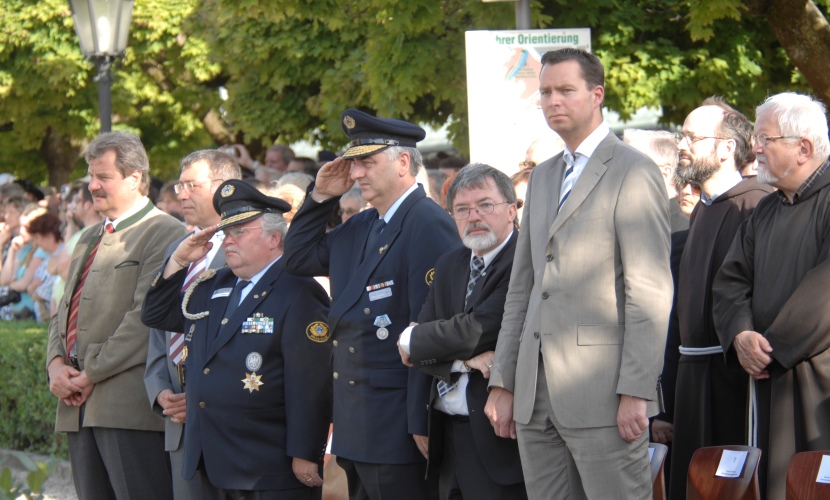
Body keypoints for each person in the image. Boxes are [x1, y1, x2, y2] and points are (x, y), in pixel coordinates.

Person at [484, 48, 672, 499]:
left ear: (597, 95)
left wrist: (636, 391)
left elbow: (649, 291)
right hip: (534, 393)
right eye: (546, 92)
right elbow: (522, 290)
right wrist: (504, 381)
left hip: (603, 393)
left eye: (566, 90)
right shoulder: (545, 175)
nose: (553, 101)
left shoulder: (634, 170)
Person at [284, 109, 461, 500]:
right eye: (354, 163)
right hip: (357, 422)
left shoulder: (427, 224)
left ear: (403, 163)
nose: (357, 173)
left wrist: (421, 420)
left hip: (397, 426)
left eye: (367, 161)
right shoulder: (365, 225)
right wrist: (320, 196)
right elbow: (297, 258)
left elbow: (428, 330)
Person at [142, 179, 331, 499]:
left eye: (240, 231)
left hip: (266, 464)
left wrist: (306, 451)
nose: (228, 241)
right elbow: (157, 316)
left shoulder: (298, 290)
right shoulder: (212, 286)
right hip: (213, 459)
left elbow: (311, 381)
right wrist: (178, 260)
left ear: (274, 237)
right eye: (226, 232)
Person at [45, 131, 187, 500]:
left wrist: (89, 374)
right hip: (78, 408)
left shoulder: (164, 231)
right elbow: (63, 312)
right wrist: (56, 366)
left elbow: (145, 318)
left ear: (135, 177)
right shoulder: (89, 236)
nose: (93, 185)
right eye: (91, 176)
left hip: (128, 410)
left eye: (103, 177)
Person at [713, 92, 830, 499]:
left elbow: (826, 290)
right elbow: (730, 281)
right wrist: (741, 335)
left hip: (817, 379)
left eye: (766, 138)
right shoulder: (766, 209)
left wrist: (770, 348)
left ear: (804, 147)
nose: (755, 148)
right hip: (765, 375)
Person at [398, 164, 527, 499]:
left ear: (511, 210)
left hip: (498, 439)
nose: (474, 216)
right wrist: (467, 363)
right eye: (462, 209)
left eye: (485, 205)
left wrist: (416, 340)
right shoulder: (450, 264)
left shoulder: (525, 262)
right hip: (446, 437)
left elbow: (475, 331)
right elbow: (419, 349)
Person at [667, 98, 773, 499]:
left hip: (732, 374)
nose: (683, 144)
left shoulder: (756, 203)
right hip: (693, 373)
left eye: (693, 137)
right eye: (682, 136)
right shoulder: (701, 211)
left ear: (727, 148)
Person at [143, 149, 241, 499]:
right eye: (179, 185)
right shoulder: (178, 247)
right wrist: (159, 391)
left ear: (225, 186)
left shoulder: (249, 245)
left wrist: (200, 395)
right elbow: (159, 329)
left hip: (230, 426)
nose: (180, 194)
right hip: (180, 426)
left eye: (191, 185)